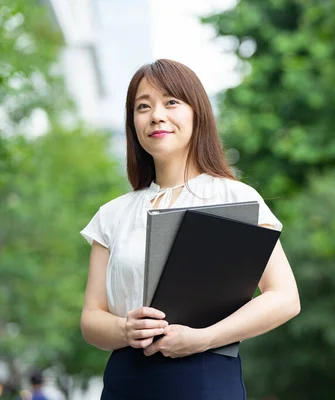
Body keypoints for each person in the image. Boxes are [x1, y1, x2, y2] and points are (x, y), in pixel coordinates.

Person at [79, 59, 301, 399]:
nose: (156, 115)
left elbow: (284, 298)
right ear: (133, 123)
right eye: (143, 106)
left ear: (196, 113)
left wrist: (204, 338)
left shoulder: (232, 196)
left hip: (207, 378)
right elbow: (92, 318)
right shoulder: (112, 214)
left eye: (171, 102)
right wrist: (126, 329)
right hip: (127, 381)